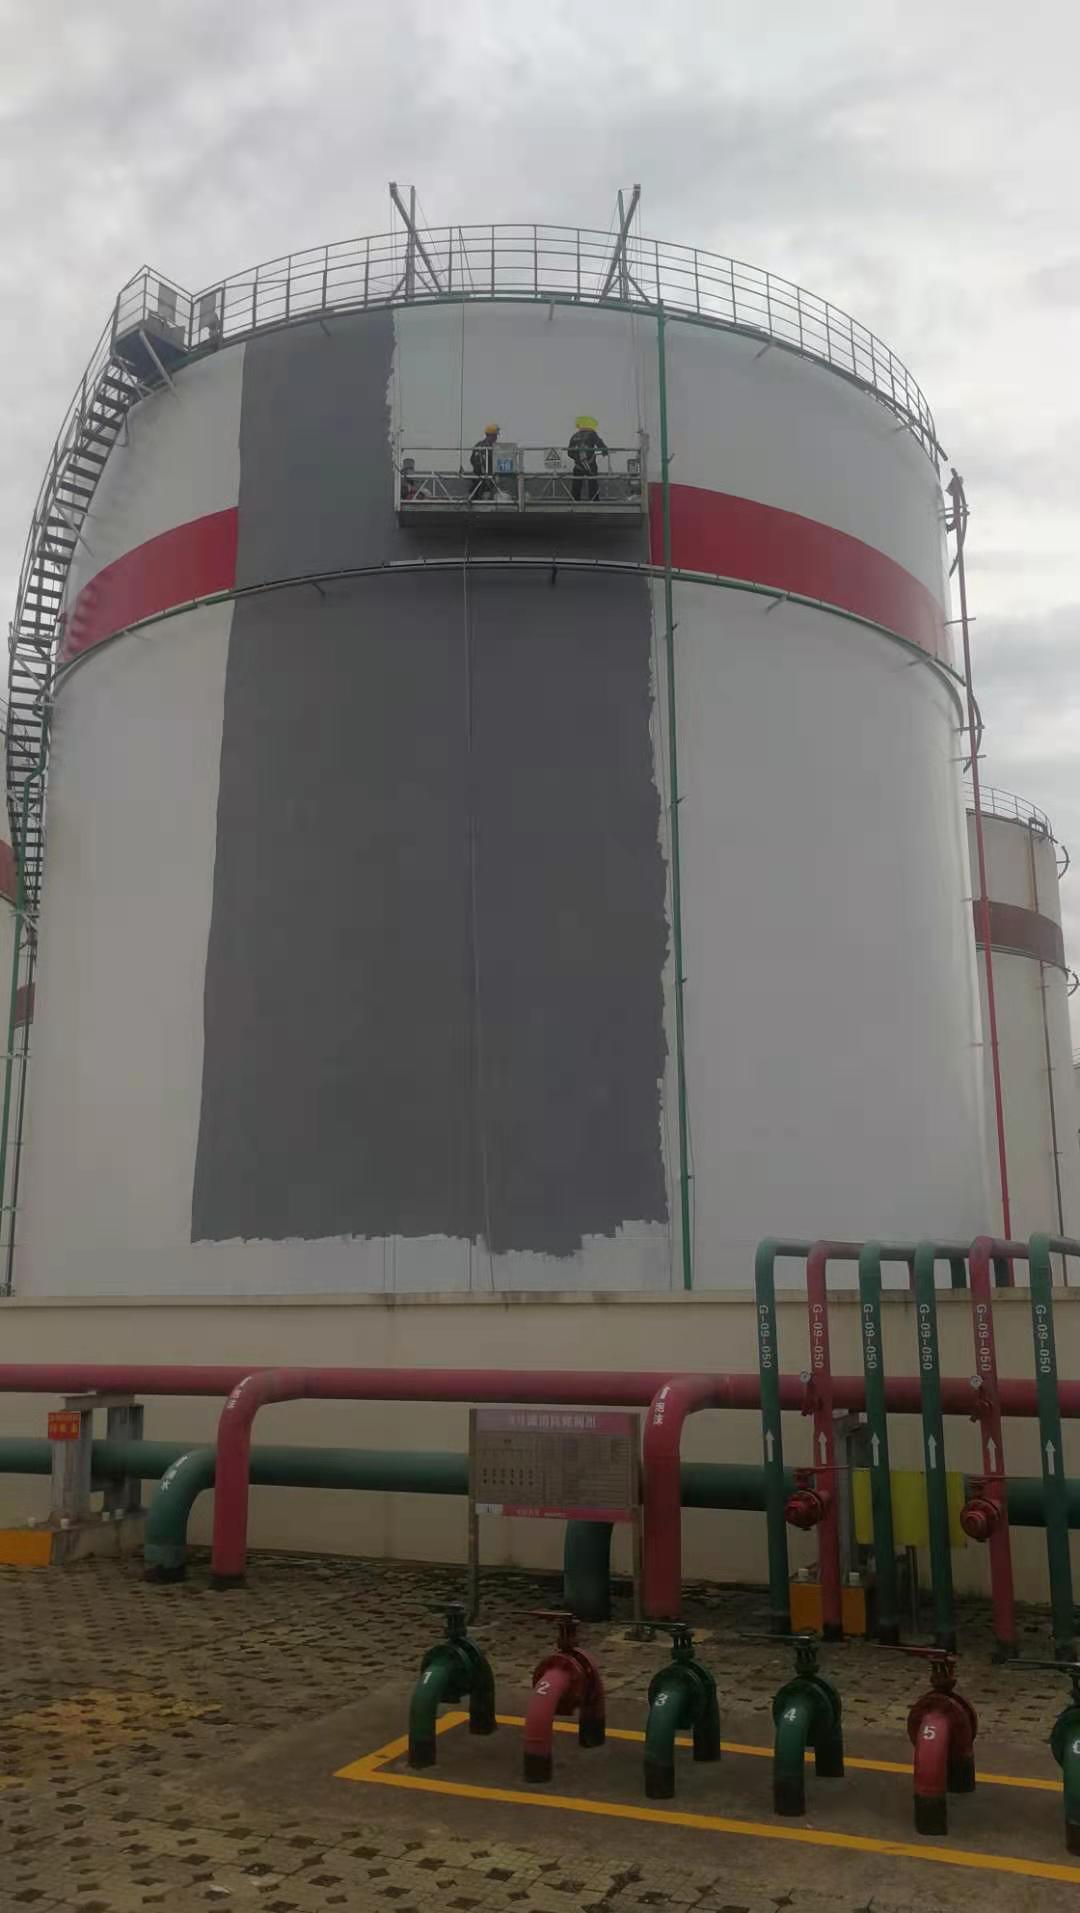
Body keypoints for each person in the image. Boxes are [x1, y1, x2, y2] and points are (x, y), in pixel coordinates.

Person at [567, 415, 609, 502]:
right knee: (592, 483)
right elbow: (601, 445)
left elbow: (569, 452)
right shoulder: (592, 434)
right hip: (590, 463)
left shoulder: (574, 436)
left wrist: (576, 457)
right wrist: (603, 452)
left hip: (578, 465)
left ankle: (575, 501)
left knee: (576, 484)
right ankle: (594, 501)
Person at [469, 423, 501, 500]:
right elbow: (476, 461)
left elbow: (472, 460)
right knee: (486, 496)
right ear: (490, 435)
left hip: (479, 477)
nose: (496, 438)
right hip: (485, 478)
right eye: (495, 435)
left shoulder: (478, 445)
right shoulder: (489, 447)